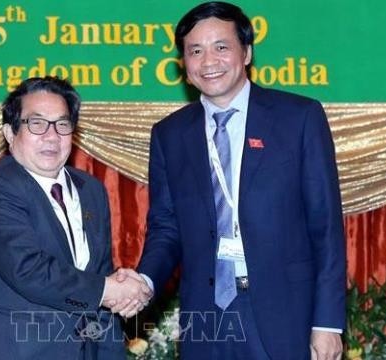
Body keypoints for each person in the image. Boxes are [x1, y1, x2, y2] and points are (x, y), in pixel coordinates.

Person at [136, 2, 346, 359]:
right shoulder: (170, 135)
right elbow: (166, 228)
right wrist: (144, 281)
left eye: (221, 47)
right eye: (195, 51)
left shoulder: (299, 118)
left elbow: (325, 227)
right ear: (183, 66)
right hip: (205, 317)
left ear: (246, 53)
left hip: (285, 313)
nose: (209, 61)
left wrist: (327, 323)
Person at [0, 76, 151, 359]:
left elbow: (98, 282)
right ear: (10, 133)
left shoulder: (91, 190)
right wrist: (108, 290)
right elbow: (28, 269)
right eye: (36, 124)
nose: (51, 136)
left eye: (62, 124)